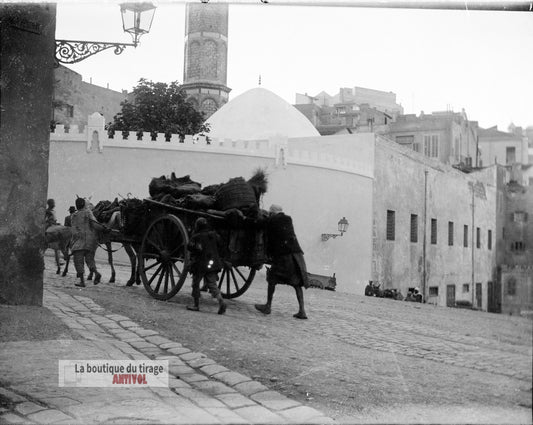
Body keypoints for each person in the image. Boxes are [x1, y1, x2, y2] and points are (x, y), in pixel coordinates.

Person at [255, 204, 309, 319]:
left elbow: (260, 224)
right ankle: (302, 310)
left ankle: (268, 306)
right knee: (296, 283)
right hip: (296, 255)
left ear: (272, 213)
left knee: (272, 279)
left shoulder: (272, 220)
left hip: (284, 256)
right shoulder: (287, 219)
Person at [186, 217, 227, 315]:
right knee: (212, 284)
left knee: (195, 284)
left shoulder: (196, 237)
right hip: (212, 263)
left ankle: (196, 305)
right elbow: (221, 244)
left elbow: (189, 247)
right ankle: (221, 302)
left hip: (199, 264)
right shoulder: (214, 235)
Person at [70, 197, 106, 287]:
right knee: (90, 260)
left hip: (79, 242)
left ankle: (82, 281)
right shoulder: (88, 212)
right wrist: (104, 228)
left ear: (76, 206)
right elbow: (95, 224)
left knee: (78, 261)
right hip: (91, 241)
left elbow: (74, 230)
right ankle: (96, 272)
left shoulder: (74, 216)